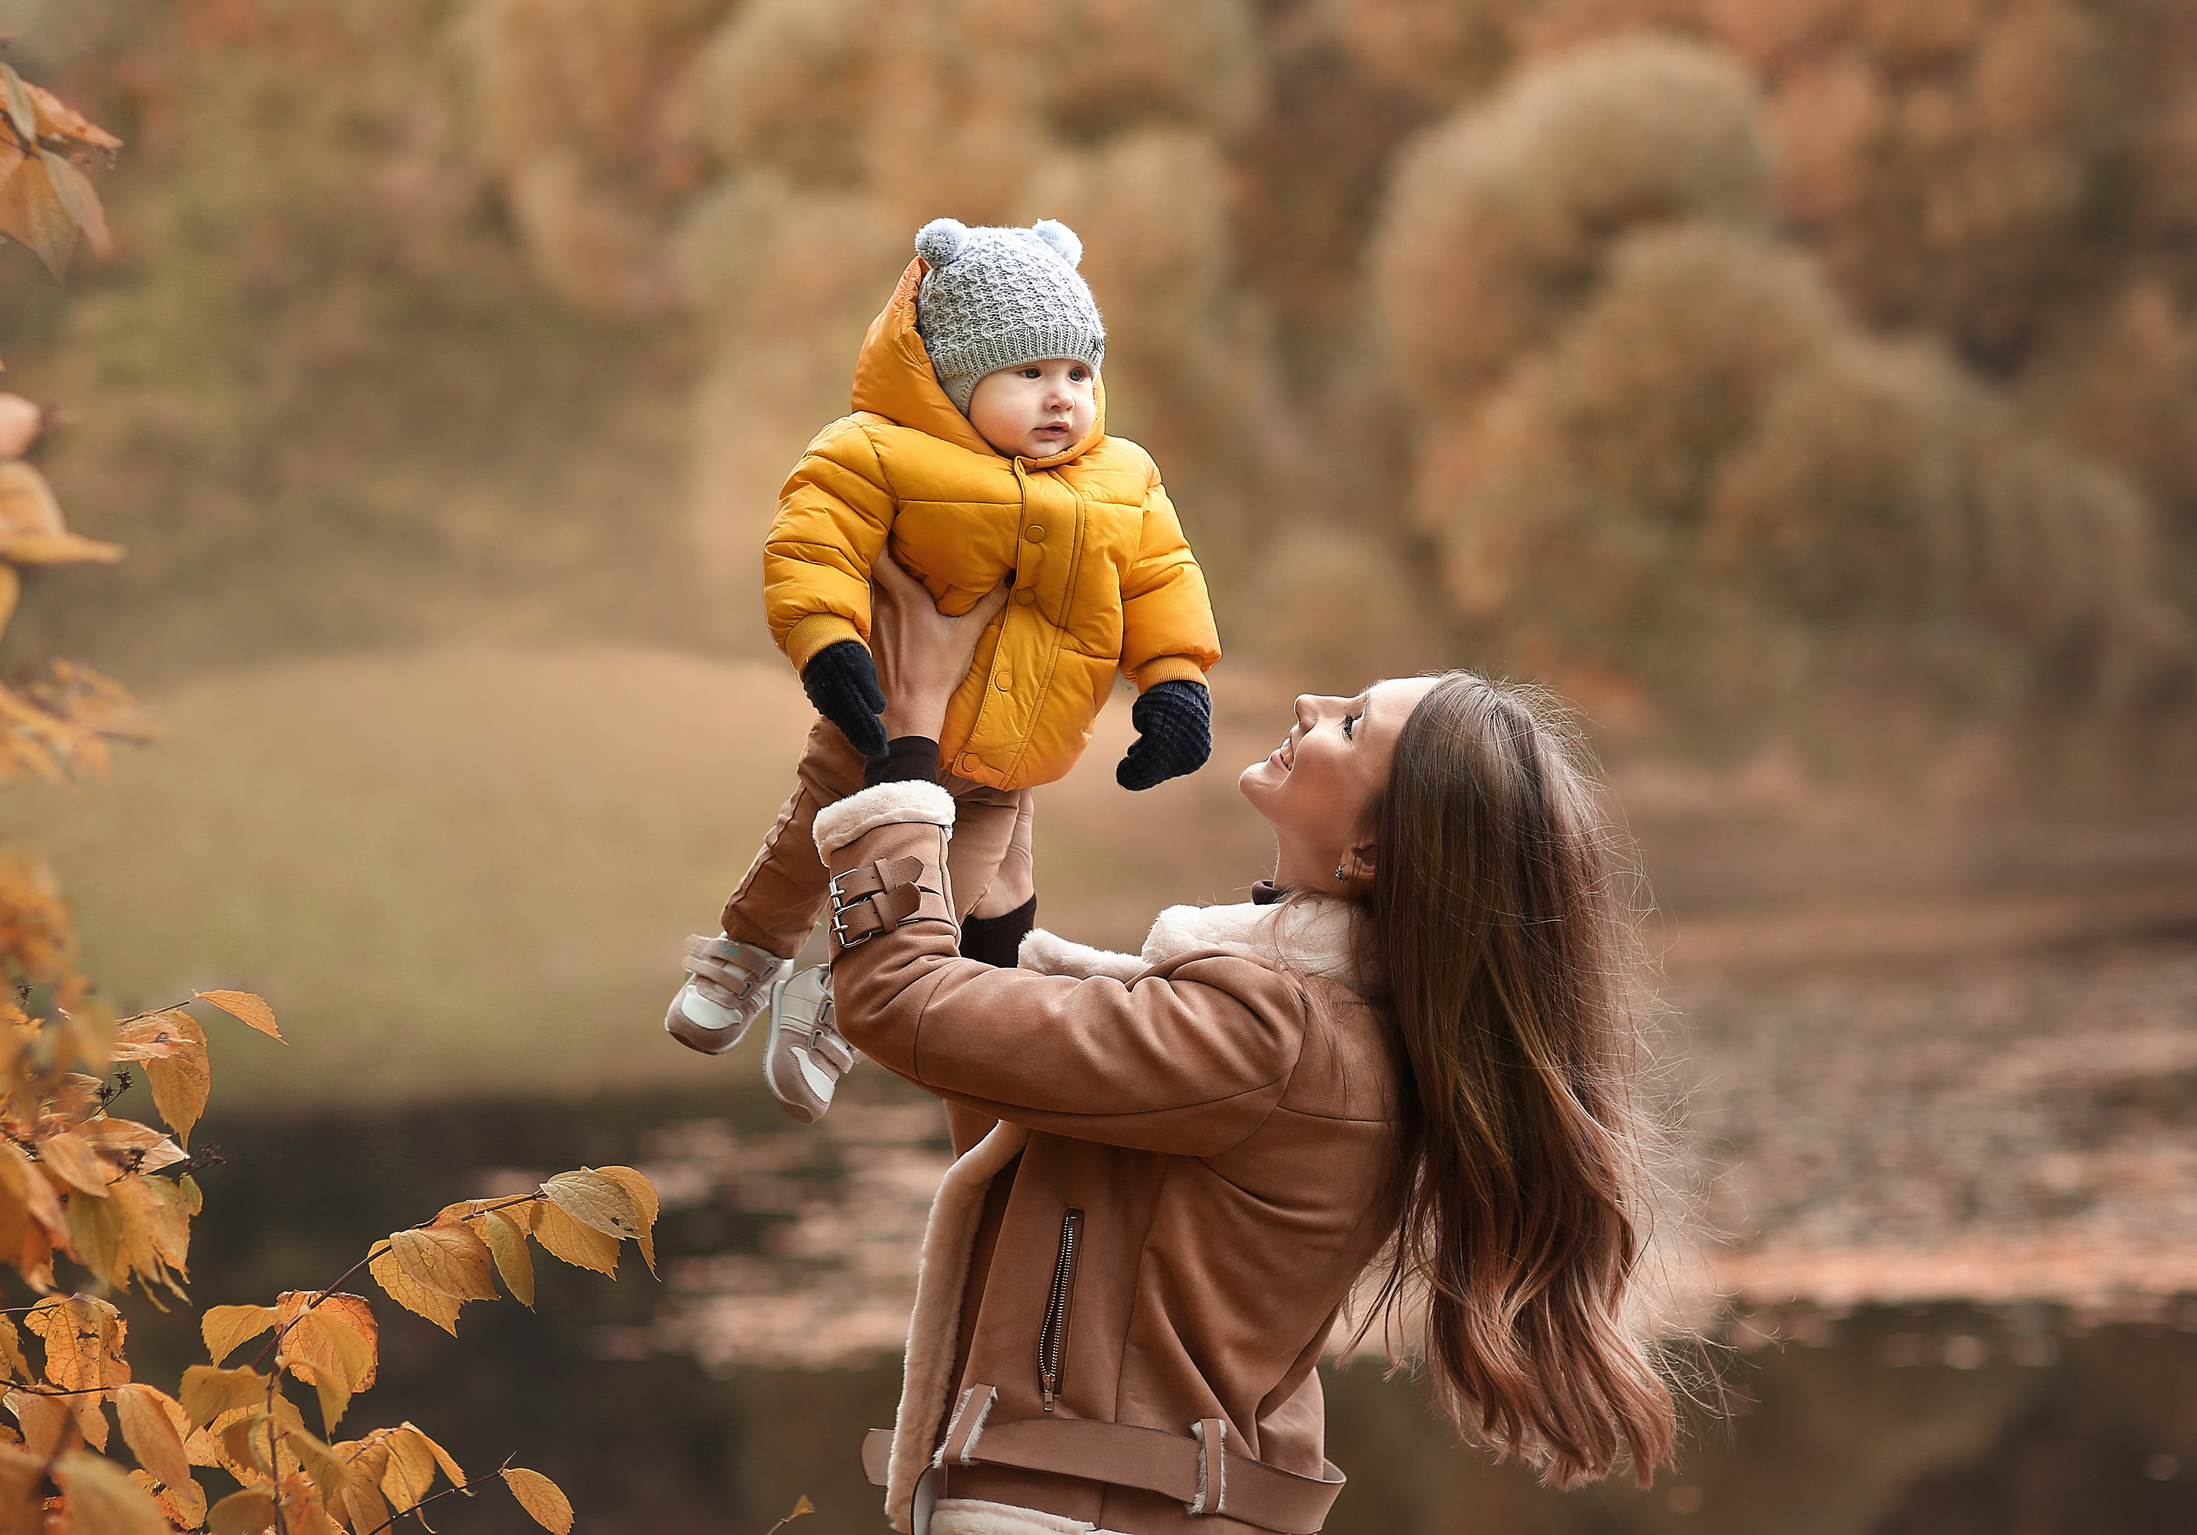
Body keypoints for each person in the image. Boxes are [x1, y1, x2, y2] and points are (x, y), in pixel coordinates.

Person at [810, 553, 1690, 1535]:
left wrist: (904, 747)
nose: (1311, 702)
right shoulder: (1315, 1029)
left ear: (1368, 853)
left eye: (1351, 723)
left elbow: (893, 997)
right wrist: (993, 907)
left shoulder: (1264, 1034)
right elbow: (1027, 1131)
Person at [665, 217, 1221, 1125]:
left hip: (1011, 759)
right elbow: (812, 545)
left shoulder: (1124, 477)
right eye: (1029, 373)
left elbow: (1163, 577)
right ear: (952, 377)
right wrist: (830, 644)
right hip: (880, 723)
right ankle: (746, 955)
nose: (1061, 398)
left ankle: (836, 1004)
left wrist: (1175, 684)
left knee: (945, 900)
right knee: (812, 842)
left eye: (1078, 373)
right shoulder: (875, 451)